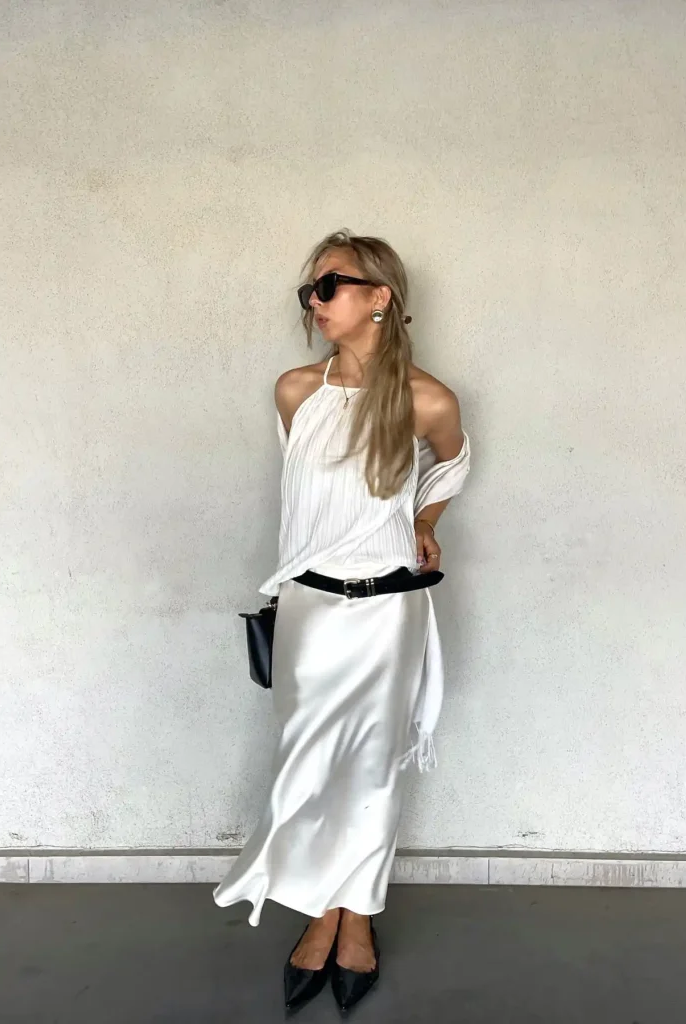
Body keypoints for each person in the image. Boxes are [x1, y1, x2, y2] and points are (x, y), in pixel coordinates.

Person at [213, 230, 470, 1015]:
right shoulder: (296, 391)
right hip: (309, 609)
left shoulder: (429, 398)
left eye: (329, 286)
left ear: (380, 296)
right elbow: (319, 503)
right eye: (310, 292)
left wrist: (426, 520)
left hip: (389, 610)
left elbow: (454, 461)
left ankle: (347, 916)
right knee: (310, 764)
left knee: (371, 768)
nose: (314, 303)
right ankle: (329, 902)